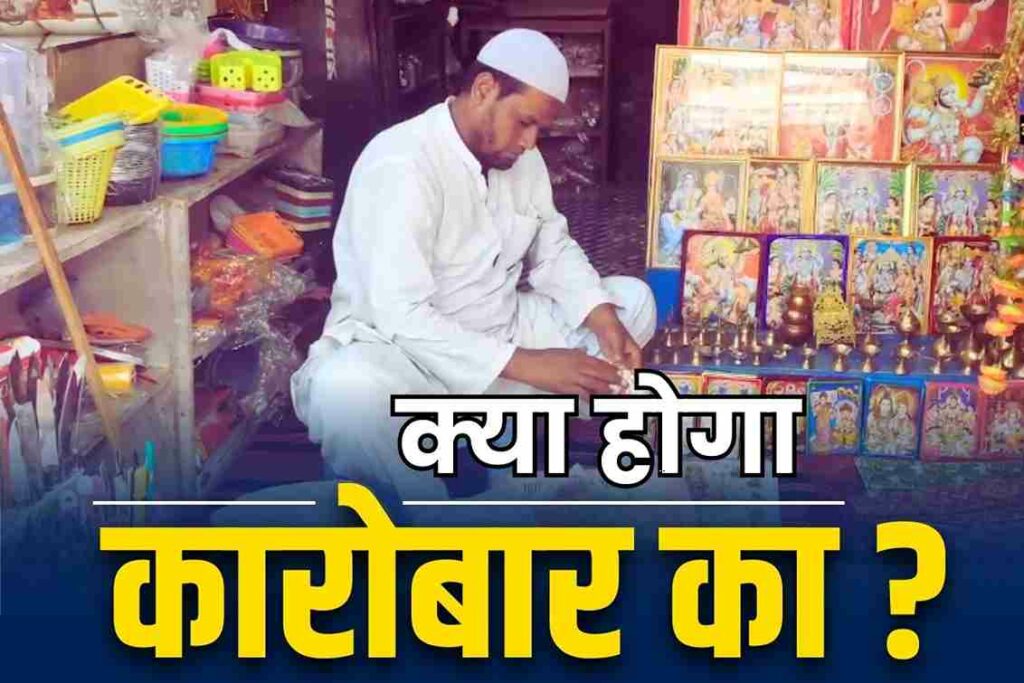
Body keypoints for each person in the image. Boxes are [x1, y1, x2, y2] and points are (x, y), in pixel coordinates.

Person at [291, 29, 656, 502]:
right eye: (525, 122)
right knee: (346, 392)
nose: (530, 142)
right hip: (407, 360)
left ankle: (502, 428)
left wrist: (601, 317)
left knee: (632, 303)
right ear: (484, 89)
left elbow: (551, 246)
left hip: (499, 333)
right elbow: (401, 317)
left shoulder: (520, 160)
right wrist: (531, 365)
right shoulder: (401, 163)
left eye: (539, 130)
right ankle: (432, 520)